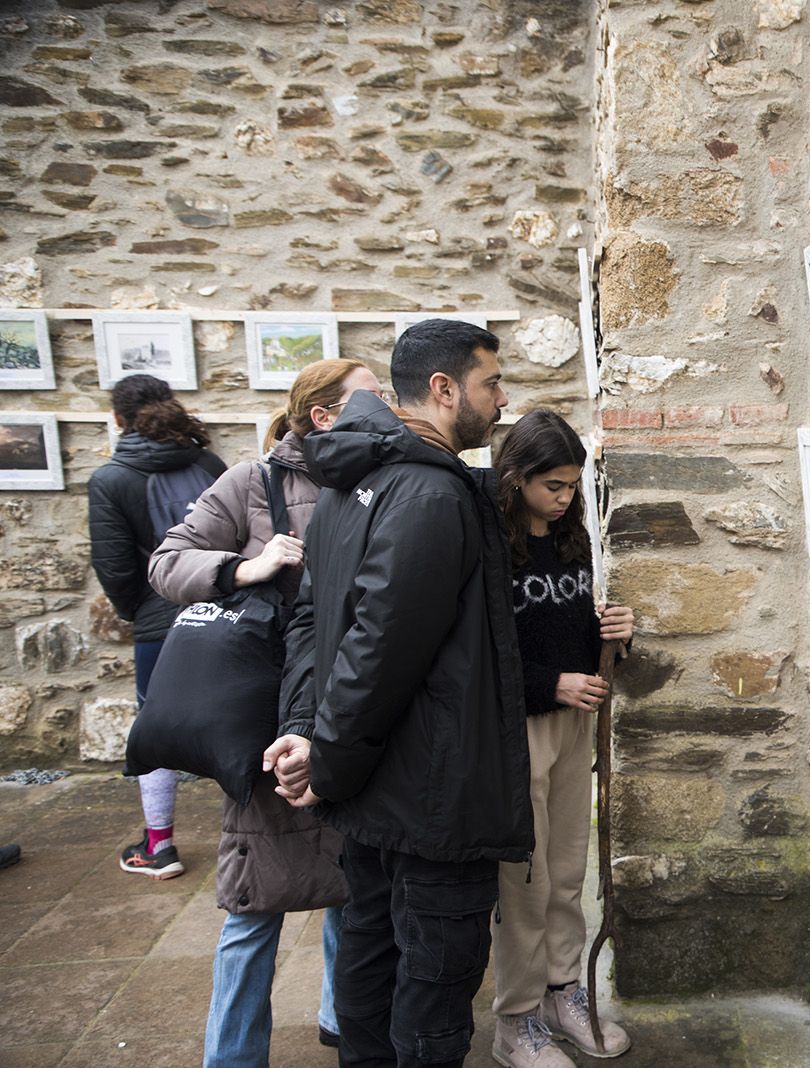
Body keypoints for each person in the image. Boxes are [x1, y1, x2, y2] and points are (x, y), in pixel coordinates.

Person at [265, 319, 533, 1068]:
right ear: (444, 390)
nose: (502, 399)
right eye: (491, 383)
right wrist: (323, 757)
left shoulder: (353, 485)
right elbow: (374, 649)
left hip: (381, 791)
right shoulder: (426, 494)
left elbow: (321, 627)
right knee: (430, 996)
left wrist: (309, 735)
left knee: (370, 964)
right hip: (428, 798)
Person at [148, 358, 384, 1066]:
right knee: (254, 898)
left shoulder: (378, 480)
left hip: (346, 708)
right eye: (371, 400)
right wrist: (243, 567)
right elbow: (167, 563)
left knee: (351, 880)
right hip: (263, 716)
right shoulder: (251, 482)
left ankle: (344, 1019)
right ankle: (233, 1055)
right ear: (323, 415)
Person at [489, 412, 634, 1067]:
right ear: (515, 478)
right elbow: (481, 656)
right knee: (525, 878)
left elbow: (570, 630)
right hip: (517, 730)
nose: (564, 497)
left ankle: (560, 991)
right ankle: (515, 1019)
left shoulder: (572, 539)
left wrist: (615, 636)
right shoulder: (488, 543)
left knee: (569, 870)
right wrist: (553, 685)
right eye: (552, 484)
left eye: (573, 485)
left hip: (576, 727)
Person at [89, 374, 226, 880]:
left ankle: (159, 845)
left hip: (159, 622)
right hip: (225, 611)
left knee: (153, 730)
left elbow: (116, 568)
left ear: (119, 418)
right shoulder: (207, 462)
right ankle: (268, 841)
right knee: (246, 715)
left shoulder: (111, 479)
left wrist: (140, 613)